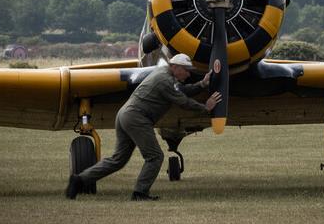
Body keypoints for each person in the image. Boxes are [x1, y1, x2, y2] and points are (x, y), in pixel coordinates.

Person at [65, 53, 222, 201]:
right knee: (155, 156)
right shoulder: (164, 80)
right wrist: (205, 108)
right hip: (137, 118)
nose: (188, 75)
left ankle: (78, 180)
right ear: (175, 67)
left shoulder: (164, 74)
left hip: (125, 115)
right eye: (187, 71)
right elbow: (183, 101)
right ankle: (140, 193)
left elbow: (181, 91)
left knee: (117, 160)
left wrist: (202, 84)